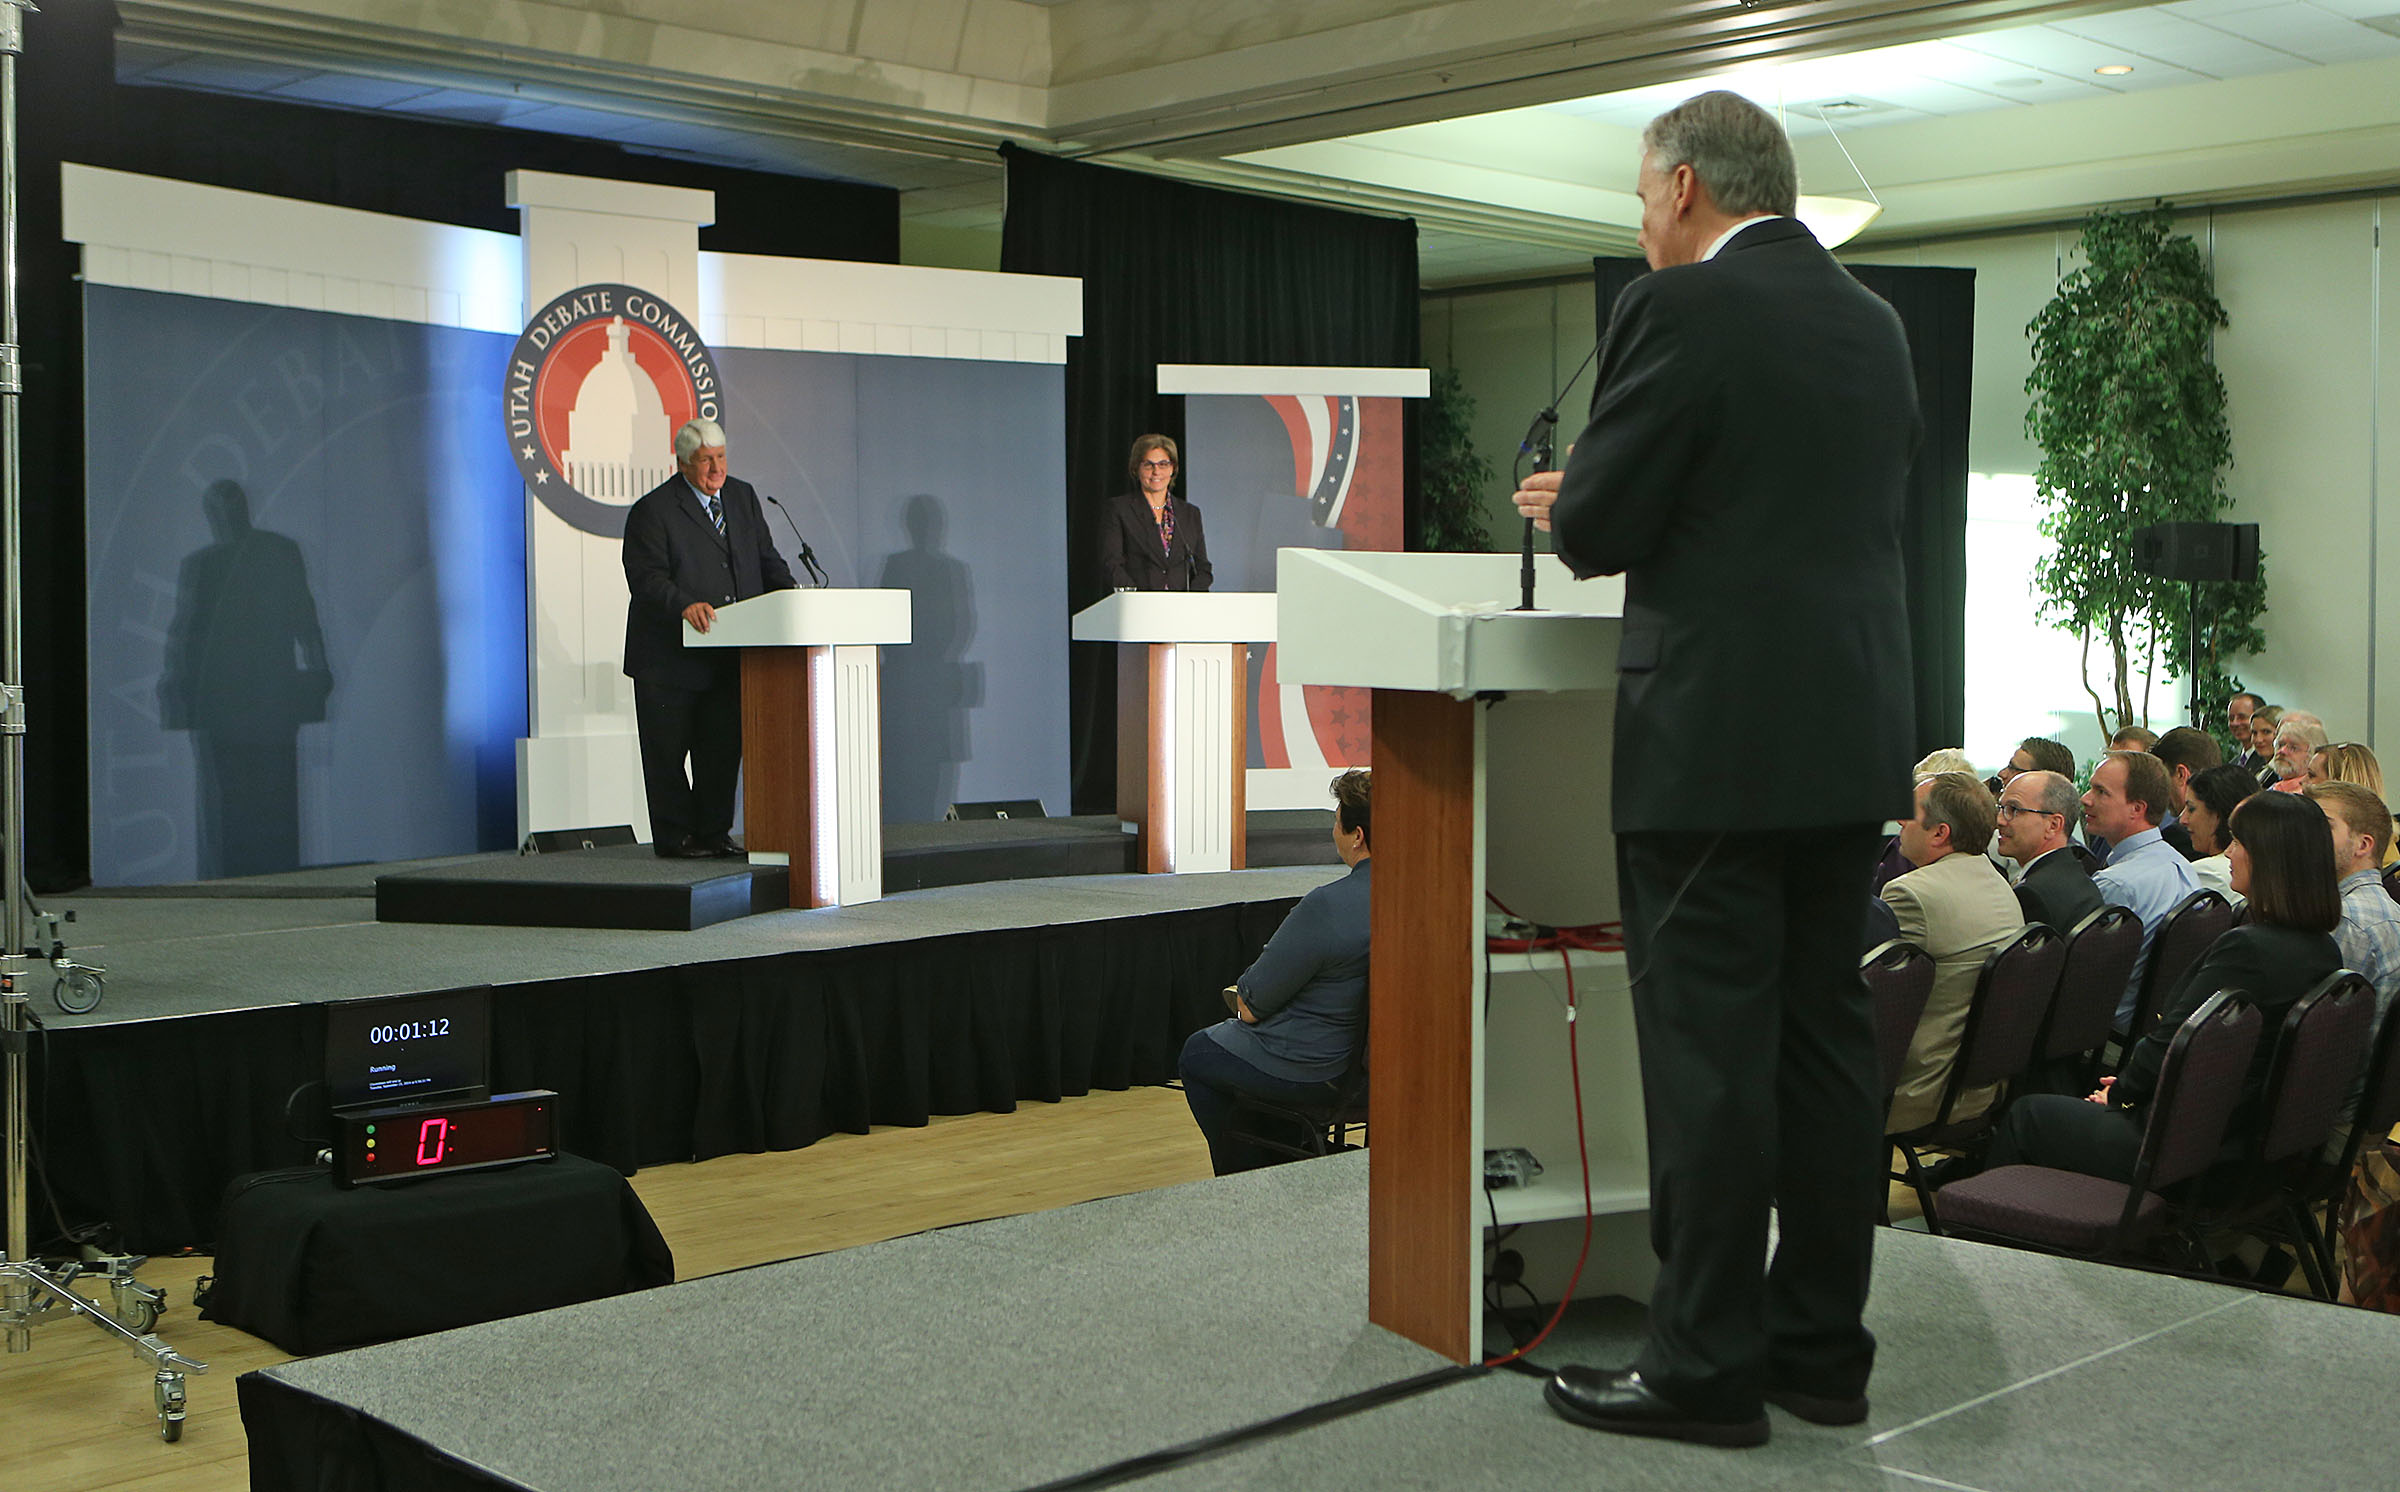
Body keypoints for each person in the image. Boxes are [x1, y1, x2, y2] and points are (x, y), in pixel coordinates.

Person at [1509, 90, 1919, 1449]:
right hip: (1847, 738)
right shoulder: (1876, 325)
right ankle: (1821, 1352)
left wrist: (1570, 497)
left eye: (1639, 197)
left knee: (1708, 1064)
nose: (1640, 222)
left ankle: (1702, 1365)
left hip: (1710, 747)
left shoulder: (1672, 311)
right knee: (1818, 1050)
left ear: (1684, 188)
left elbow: (1609, 525)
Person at [1963, 791, 2342, 1184]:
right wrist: (2131, 1085)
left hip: (2184, 1146)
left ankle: (1993, 1229)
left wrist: (2124, 1092)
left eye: (2239, 843)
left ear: (2271, 859)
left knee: (2028, 1114)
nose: (2229, 854)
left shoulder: (2250, 948)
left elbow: (2178, 1040)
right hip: (2244, 1141)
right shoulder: (2323, 950)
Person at [1176, 770, 1370, 1174]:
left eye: (1336, 820)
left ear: (1357, 836)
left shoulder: (1327, 907)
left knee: (1198, 1053)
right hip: (1380, 1073)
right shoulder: (1424, 898)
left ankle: (1250, 1179)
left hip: (1318, 1070)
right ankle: (1282, 1160)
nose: (1333, 828)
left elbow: (1250, 1003)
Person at [621, 417, 797, 859]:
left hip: (729, 655)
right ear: (683, 463)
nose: (716, 469)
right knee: (667, 754)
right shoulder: (653, 510)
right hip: (668, 659)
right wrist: (683, 604)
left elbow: (765, 557)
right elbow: (645, 577)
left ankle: (715, 832)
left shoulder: (742, 497)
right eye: (705, 461)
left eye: (720, 458)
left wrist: (792, 597)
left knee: (721, 751)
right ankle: (676, 837)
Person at [1881, 774, 2026, 1134]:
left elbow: (1876, 997)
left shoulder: (1911, 893)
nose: (1899, 821)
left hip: (1917, 1090)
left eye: (1909, 814)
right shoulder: (2001, 884)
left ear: (1939, 833)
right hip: (1978, 1087)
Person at [2085, 751, 2203, 1031]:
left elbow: (2083, 983)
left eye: (2101, 792)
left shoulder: (2116, 885)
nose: (2085, 799)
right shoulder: (2182, 866)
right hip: (2158, 1025)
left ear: (2136, 809)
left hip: (2110, 1034)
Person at [2305, 780, 2400, 1119]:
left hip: (2332, 1119)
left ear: (2363, 845)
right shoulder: (2383, 908)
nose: (2306, 837)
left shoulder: (2348, 922)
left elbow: (2318, 1051)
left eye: (2322, 826)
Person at [1098, 434, 1213, 593]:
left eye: (1163, 464)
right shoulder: (1119, 509)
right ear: (1136, 468)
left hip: (1182, 609)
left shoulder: (1190, 514)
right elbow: (1112, 563)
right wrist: (1134, 596)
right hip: (1139, 606)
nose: (1156, 471)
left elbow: (1202, 567)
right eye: (1148, 465)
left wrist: (1193, 598)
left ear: (1172, 468)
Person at [1998, 770, 2101, 931]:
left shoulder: (2032, 895)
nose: (2000, 820)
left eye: (2013, 810)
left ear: (2053, 825)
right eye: (2000, 807)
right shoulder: (2078, 874)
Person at [2181, 762, 2260, 906]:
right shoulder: (2261, 866)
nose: (2183, 820)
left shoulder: (2206, 873)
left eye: (2191, 809)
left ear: (2217, 815)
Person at [2151, 725, 2223, 860]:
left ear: (2180, 774)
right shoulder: (2241, 832)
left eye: (2161, 777)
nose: (2157, 787)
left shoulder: (2177, 839)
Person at [2268, 712, 2329, 793]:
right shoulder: (2276, 787)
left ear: (2313, 755)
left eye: (2293, 748)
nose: (2282, 751)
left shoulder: (2312, 795)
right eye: (2280, 745)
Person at [2227, 692, 2266, 774]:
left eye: (2242, 717)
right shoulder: (2232, 765)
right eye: (2231, 718)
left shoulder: (2268, 761)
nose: (2235, 723)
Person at [2247, 705, 2284, 788]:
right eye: (2254, 733)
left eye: (2266, 732)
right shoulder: (2253, 763)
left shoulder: (2284, 772)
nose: (2258, 740)